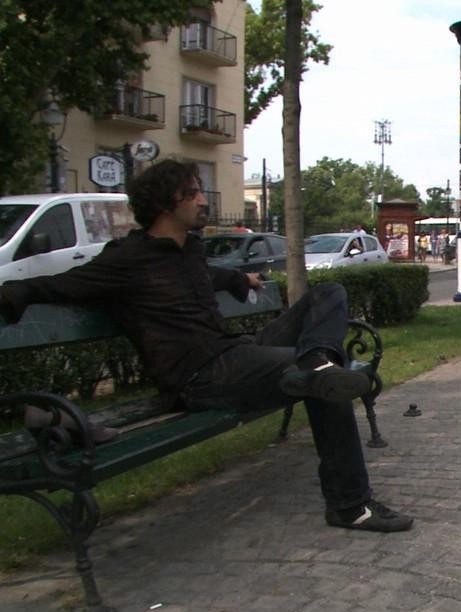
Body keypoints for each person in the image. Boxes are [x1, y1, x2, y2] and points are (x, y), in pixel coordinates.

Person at [0, 160, 414, 533]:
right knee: (324, 384)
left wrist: (240, 280)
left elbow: (209, 277)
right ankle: (349, 505)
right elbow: (63, 284)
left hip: (235, 354)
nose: (203, 199)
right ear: (166, 203)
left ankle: (317, 360)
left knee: (329, 294)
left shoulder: (190, 250)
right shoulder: (126, 259)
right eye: (194, 192)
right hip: (202, 375)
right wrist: (12, 294)